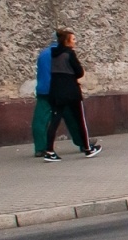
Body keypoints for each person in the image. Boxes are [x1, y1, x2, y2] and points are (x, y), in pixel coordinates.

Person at [41, 29, 100, 161]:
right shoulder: (69, 54)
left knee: (54, 121)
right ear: (67, 41)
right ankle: (87, 148)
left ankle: (49, 151)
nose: (75, 41)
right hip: (71, 91)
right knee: (80, 120)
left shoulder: (53, 54)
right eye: (73, 39)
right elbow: (79, 72)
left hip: (56, 91)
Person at [32, 42, 83, 156]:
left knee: (40, 120)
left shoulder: (43, 54)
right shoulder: (64, 54)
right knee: (72, 117)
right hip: (59, 90)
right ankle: (83, 143)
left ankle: (40, 148)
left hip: (43, 90)